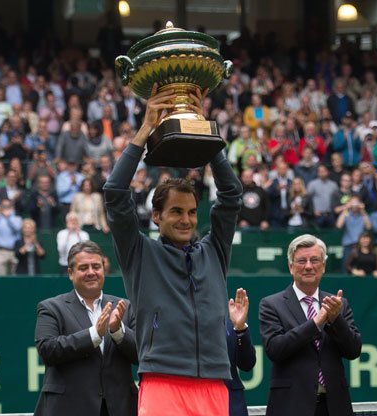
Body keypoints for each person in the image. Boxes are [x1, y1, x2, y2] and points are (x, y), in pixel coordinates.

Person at [103, 85, 242, 415]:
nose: (186, 220)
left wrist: (205, 135)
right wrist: (145, 130)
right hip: (161, 381)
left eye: (192, 212)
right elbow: (114, 192)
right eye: (176, 212)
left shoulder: (214, 251)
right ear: (156, 216)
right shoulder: (140, 253)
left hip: (214, 381)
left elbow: (231, 196)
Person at [259, 234, 362, 416]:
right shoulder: (271, 304)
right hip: (291, 405)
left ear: (323, 266)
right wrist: (316, 322)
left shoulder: (339, 304)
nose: (308, 266)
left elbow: (353, 350)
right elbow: (275, 349)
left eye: (314, 260)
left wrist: (335, 319)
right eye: (301, 261)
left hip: (334, 405)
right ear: (291, 267)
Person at [34, 241, 137, 416]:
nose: (91, 272)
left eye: (96, 266)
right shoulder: (51, 308)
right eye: (83, 268)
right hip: (70, 408)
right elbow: (47, 349)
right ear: (70, 273)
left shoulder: (124, 307)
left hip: (119, 408)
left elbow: (142, 354)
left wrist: (118, 332)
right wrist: (93, 335)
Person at [226, 287, 256, 416]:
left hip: (230, 404)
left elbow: (247, 364)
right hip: (187, 398)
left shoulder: (231, 312)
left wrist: (240, 329)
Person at [0, 198, 22, 275]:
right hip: (1, 252)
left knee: (15, 279)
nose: (5, 208)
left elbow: (17, 228)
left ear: (12, 207)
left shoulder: (17, 218)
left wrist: (8, 218)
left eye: (8, 206)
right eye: (3, 206)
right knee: (0, 280)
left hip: (14, 252)